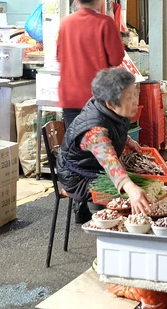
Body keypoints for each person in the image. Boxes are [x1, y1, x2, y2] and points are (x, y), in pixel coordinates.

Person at [56, 67, 150, 223]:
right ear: (110, 104)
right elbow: (109, 161)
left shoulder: (112, 109)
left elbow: (114, 128)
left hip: (93, 167)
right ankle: (119, 236)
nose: (135, 101)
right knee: (132, 195)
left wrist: (127, 140)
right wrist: (131, 188)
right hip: (78, 176)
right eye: (129, 98)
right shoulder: (95, 130)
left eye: (135, 93)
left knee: (146, 179)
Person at [58, 0, 125, 130]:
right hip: (97, 98)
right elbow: (116, 58)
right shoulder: (105, 23)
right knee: (98, 147)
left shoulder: (65, 23)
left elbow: (60, 57)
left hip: (69, 97)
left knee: (74, 144)